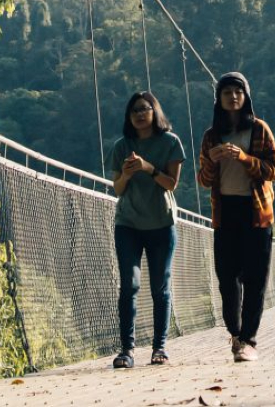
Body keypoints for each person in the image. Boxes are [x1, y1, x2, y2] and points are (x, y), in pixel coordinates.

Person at [198, 72, 275, 362]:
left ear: (246, 97)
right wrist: (213, 159)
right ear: (218, 99)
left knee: (255, 280)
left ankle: (249, 340)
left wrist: (244, 158)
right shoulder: (211, 136)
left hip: (256, 212)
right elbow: (204, 180)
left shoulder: (259, 129)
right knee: (226, 278)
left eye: (238, 92)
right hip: (226, 213)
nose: (233, 97)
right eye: (226, 93)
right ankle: (234, 333)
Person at [110, 92, 186, 368]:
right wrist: (128, 173)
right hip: (128, 223)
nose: (140, 114)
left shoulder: (170, 142)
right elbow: (118, 188)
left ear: (155, 111)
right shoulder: (122, 146)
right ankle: (127, 351)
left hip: (161, 223)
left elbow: (170, 184)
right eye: (134, 111)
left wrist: (147, 167)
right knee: (129, 285)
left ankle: (159, 348)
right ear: (129, 117)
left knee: (159, 287)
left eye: (145, 109)